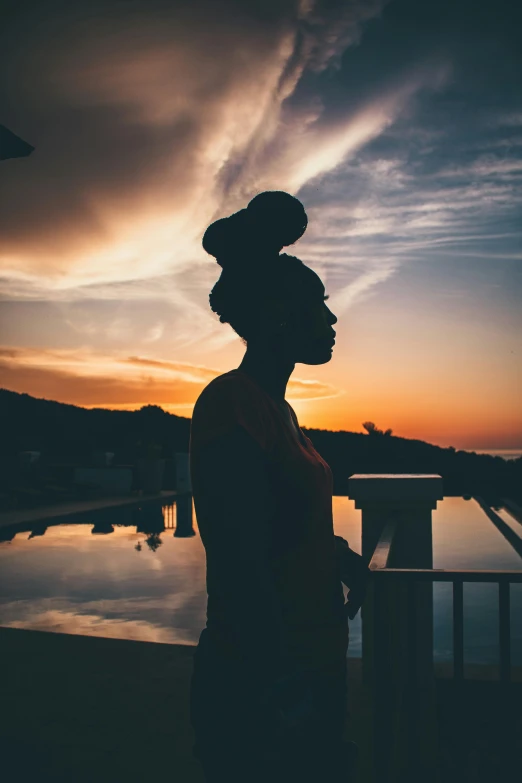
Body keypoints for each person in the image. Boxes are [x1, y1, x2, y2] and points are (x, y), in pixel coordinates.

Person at [189, 191, 369, 782]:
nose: (333, 318)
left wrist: (338, 557)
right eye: (320, 303)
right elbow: (240, 554)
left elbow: (280, 523)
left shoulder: (278, 410)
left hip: (307, 660)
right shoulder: (233, 403)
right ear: (281, 315)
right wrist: (282, 683)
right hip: (266, 672)